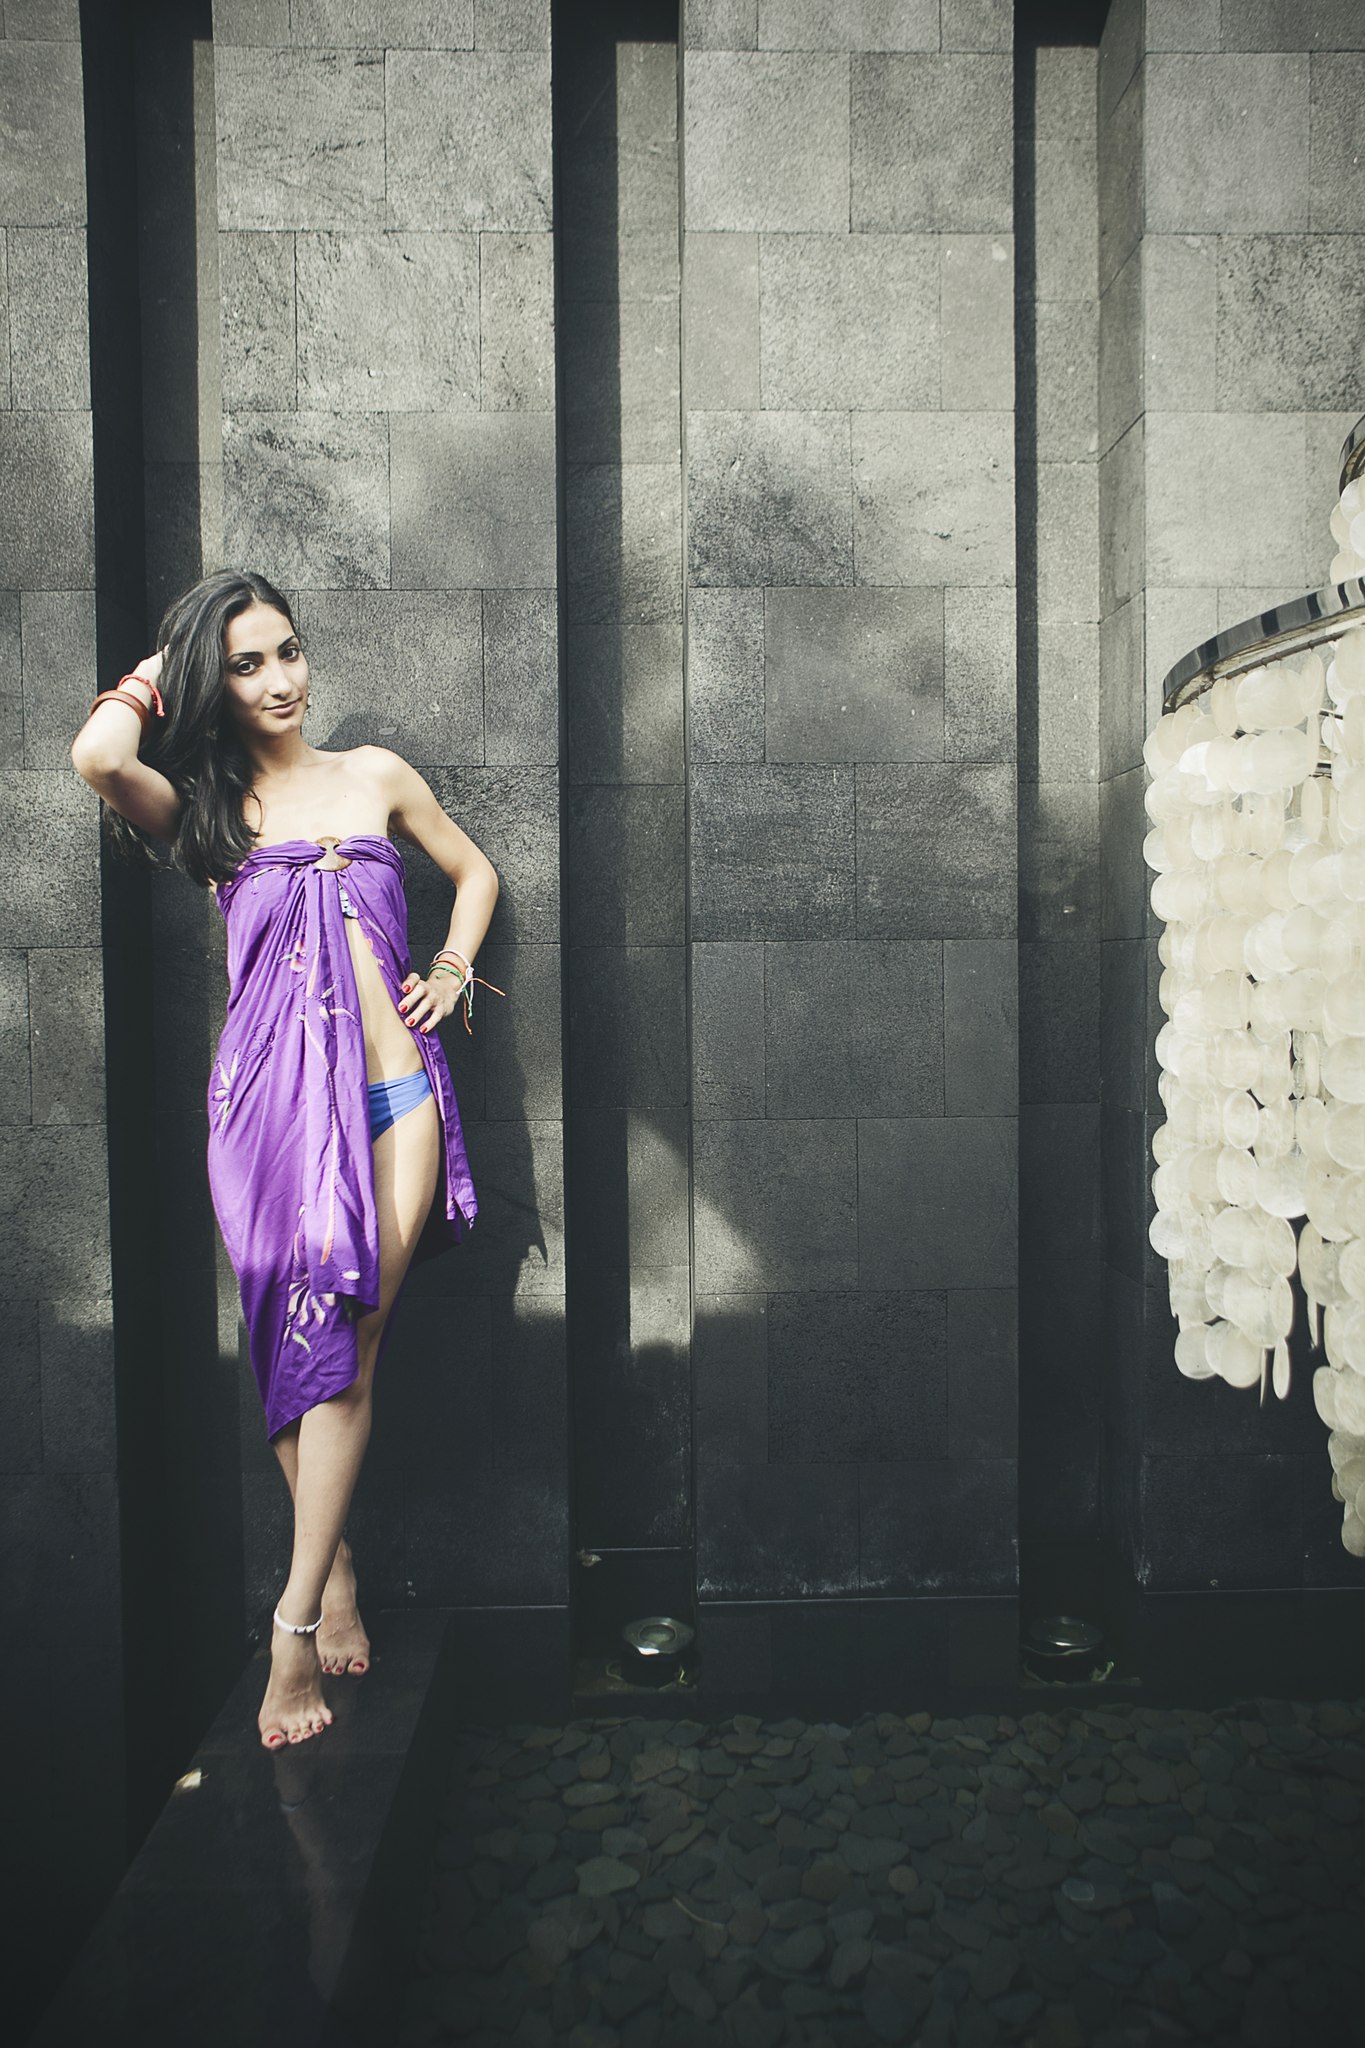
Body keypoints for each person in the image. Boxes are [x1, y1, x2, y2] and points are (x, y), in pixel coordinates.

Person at [70, 569, 499, 1752]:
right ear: (213, 681)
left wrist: (453, 967)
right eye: (247, 662)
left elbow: (474, 872)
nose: (279, 679)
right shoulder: (206, 810)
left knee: (349, 1338)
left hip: (396, 1100)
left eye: (289, 651)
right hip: (266, 1113)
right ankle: (335, 1561)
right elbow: (98, 756)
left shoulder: (376, 773)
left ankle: (292, 1623)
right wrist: (161, 669)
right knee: (284, 1335)